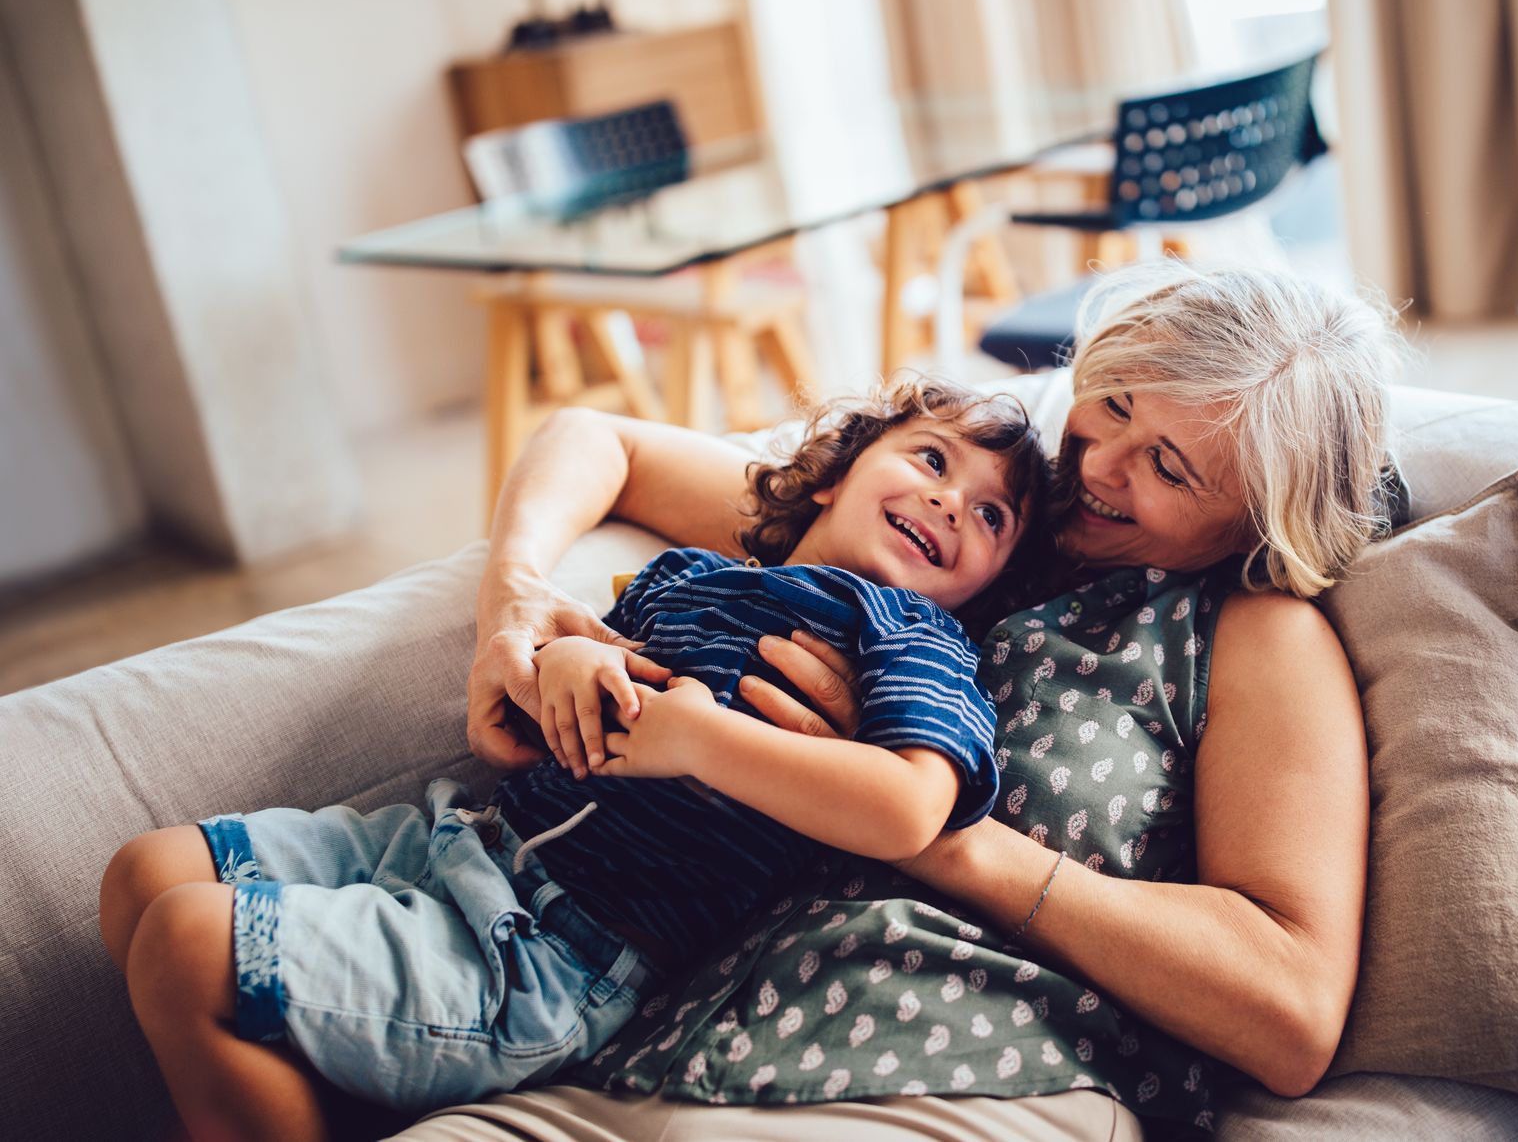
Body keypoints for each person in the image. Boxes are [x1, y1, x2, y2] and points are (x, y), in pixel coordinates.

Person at [389, 260, 1400, 1142]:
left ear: (1253, 524)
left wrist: (927, 828)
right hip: (659, 1040)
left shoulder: (1255, 634)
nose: (1097, 466)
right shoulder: (958, 528)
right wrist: (514, 595)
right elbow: (605, 442)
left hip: (963, 1069)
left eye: (1168, 468)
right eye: (1118, 403)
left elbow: (1289, 1008)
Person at [96, 379, 1053, 1141]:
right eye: (932, 459)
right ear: (834, 472)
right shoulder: (695, 573)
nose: (950, 502)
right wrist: (569, 656)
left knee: (188, 944)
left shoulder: (913, 640)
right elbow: (565, 664)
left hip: (559, 955)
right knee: (144, 876)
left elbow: (911, 809)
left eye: (992, 518)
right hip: (450, 846)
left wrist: (702, 740)